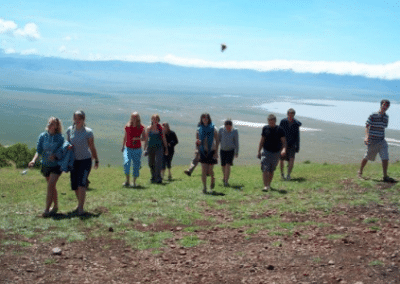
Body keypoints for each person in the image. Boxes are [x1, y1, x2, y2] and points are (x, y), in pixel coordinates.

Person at [29, 117, 64, 217]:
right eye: (49, 123)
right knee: (52, 186)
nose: (50, 124)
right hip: (45, 165)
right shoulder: (42, 136)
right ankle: (56, 206)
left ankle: (47, 210)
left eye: (53, 123)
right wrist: (33, 160)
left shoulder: (60, 138)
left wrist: (56, 155)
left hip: (56, 166)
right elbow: (39, 150)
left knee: (50, 186)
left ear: (57, 126)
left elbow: (63, 150)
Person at [66, 110, 99, 215]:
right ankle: (80, 204)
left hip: (85, 160)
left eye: (79, 118)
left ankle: (80, 208)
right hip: (73, 161)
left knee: (81, 184)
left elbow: (92, 147)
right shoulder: (70, 130)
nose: (77, 120)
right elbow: (67, 144)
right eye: (75, 118)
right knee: (75, 185)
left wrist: (96, 159)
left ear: (83, 119)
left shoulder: (88, 132)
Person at [358, 100, 395, 182]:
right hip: (372, 141)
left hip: (382, 140)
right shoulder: (373, 115)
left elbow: (383, 128)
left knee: (385, 157)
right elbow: (367, 126)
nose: (385, 107)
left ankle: (385, 176)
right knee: (367, 157)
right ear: (381, 105)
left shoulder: (386, 117)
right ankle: (360, 172)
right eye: (384, 105)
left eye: (387, 106)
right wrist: (366, 137)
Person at [257, 114, 287, 191]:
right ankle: (265, 186)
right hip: (266, 151)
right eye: (269, 122)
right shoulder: (265, 128)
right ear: (268, 121)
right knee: (265, 169)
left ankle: (268, 184)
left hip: (276, 153)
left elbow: (284, 142)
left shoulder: (280, 129)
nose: (271, 123)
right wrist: (259, 151)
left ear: (275, 121)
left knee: (271, 170)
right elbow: (262, 140)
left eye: (272, 122)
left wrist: (283, 150)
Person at [121, 112, 146, 188]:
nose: (134, 118)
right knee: (126, 163)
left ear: (138, 118)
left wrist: (137, 138)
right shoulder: (127, 126)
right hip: (128, 148)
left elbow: (144, 138)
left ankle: (134, 182)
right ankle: (127, 181)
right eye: (133, 117)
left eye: (135, 117)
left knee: (136, 165)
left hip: (137, 149)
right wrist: (123, 146)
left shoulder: (141, 127)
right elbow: (125, 137)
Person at [197, 113, 219, 194]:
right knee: (203, 170)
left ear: (209, 119)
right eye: (203, 118)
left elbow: (217, 140)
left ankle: (212, 179)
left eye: (206, 118)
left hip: (211, 151)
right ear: (201, 119)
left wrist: (216, 152)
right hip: (203, 151)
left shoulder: (213, 128)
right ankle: (204, 187)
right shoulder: (199, 128)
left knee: (210, 170)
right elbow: (197, 140)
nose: (205, 119)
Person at [144, 114, 168, 183]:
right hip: (150, 147)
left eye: (156, 119)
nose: (154, 121)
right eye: (153, 119)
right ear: (151, 120)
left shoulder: (161, 128)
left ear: (158, 120)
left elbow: (163, 138)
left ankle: (158, 178)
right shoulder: (149, 128)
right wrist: (145, 149)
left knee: (158, 162)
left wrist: (166, 148)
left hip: (159, 147)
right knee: (151, 163)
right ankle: (153, 176)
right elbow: (146, 139)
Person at [279, 108, 302, 181]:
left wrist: (297, 146)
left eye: (292, 114)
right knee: (281, 159)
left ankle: (288, 175)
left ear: (294, 115)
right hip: (283, 143)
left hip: (292, 143)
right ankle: (282, 174)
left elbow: (297, 135)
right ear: (287, 114)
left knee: (292, 159)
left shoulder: (296, 123)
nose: (291, 115)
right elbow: (279, 132)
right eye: (290, 113)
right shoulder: (283, 121)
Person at [218, 119, 239, 186]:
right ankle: (224, 177)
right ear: (225, 126)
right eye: (227, 127)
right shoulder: (221, 130)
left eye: (229, 127)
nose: (228, 129)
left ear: (231, 126)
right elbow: (218, 140)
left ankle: (226, 181)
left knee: (228, 165)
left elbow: (236, 142)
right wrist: (215, 150)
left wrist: (236, 152)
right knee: (223, 165)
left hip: (231, 150)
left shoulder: (235, 131)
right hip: (223, 150)